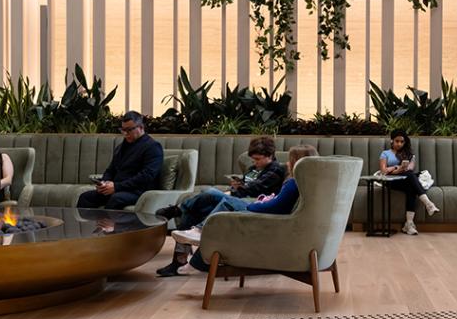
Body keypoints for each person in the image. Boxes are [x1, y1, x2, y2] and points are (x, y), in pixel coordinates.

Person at [157, 145, 318, 276]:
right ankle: (184, 257)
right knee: (198, 206)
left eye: (290, 160)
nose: (288, 164)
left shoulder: (285, 178)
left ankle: (197, 231)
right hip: (261, 206)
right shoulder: (305, 182)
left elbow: (275, 205)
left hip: (261, 210)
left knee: (218, 198)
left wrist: (253, 204)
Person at [154, 136, 286, 230]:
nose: (255, 162)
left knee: (209, 192)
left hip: (249, 202)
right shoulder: (253, 169)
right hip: (238, 196)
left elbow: (255, 188)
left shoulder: (275, 169)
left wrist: (236, 189)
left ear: (270, 155)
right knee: (194, 210)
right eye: (253, 159)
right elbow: (245, 184)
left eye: (258, 159)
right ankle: (180, 255)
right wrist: (237, 184)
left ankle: (178, 209)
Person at [76, 111, 164, 210]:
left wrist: (117, 187)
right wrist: (104, 183)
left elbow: (146, 176)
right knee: (86, 197)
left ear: (141, 127)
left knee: (116, 199)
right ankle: (85, 225)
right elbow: (111, 169)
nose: (125, 134)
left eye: (129, 130)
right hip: (118, 189)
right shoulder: (122, 147)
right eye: (123, 130)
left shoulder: (152, 147)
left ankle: (106, 225)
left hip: (139, 191)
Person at [379, 129, 438, 235]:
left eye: (402, 142)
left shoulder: (409, 154)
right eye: (397, 141)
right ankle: (428, 204)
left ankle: (409, 224)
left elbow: (410, 168)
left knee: (411, 186)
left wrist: (398, 169)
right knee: (411, 178)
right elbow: (383, 171)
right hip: (391, 181)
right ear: (392, 141)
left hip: (405, 179)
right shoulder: (385, 153)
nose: (399, 144)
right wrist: (396, 167)